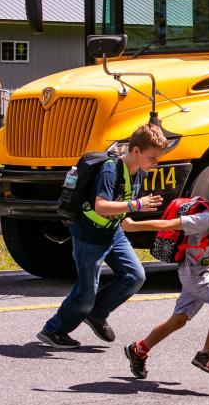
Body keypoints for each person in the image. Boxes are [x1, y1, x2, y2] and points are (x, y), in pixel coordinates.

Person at [36, 124, 166, 349]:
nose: (156, 163)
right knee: (86, 293)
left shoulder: (140, 173)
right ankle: (54, 330)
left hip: (113, 231)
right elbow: (101, 206)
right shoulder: (110, 169)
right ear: (136, 151)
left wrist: (131, 219)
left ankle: (96, 314)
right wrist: (136, 204)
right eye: (152, 158)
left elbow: (120, 205)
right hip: (89, 234)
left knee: (135, 276)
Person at [121, 170, 209, 377]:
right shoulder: (203, 219)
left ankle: (139, 350)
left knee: (178, 320)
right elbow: (169, 224)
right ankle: (206, 354)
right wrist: (134, 226)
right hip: (195, 274)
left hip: (206, 272)